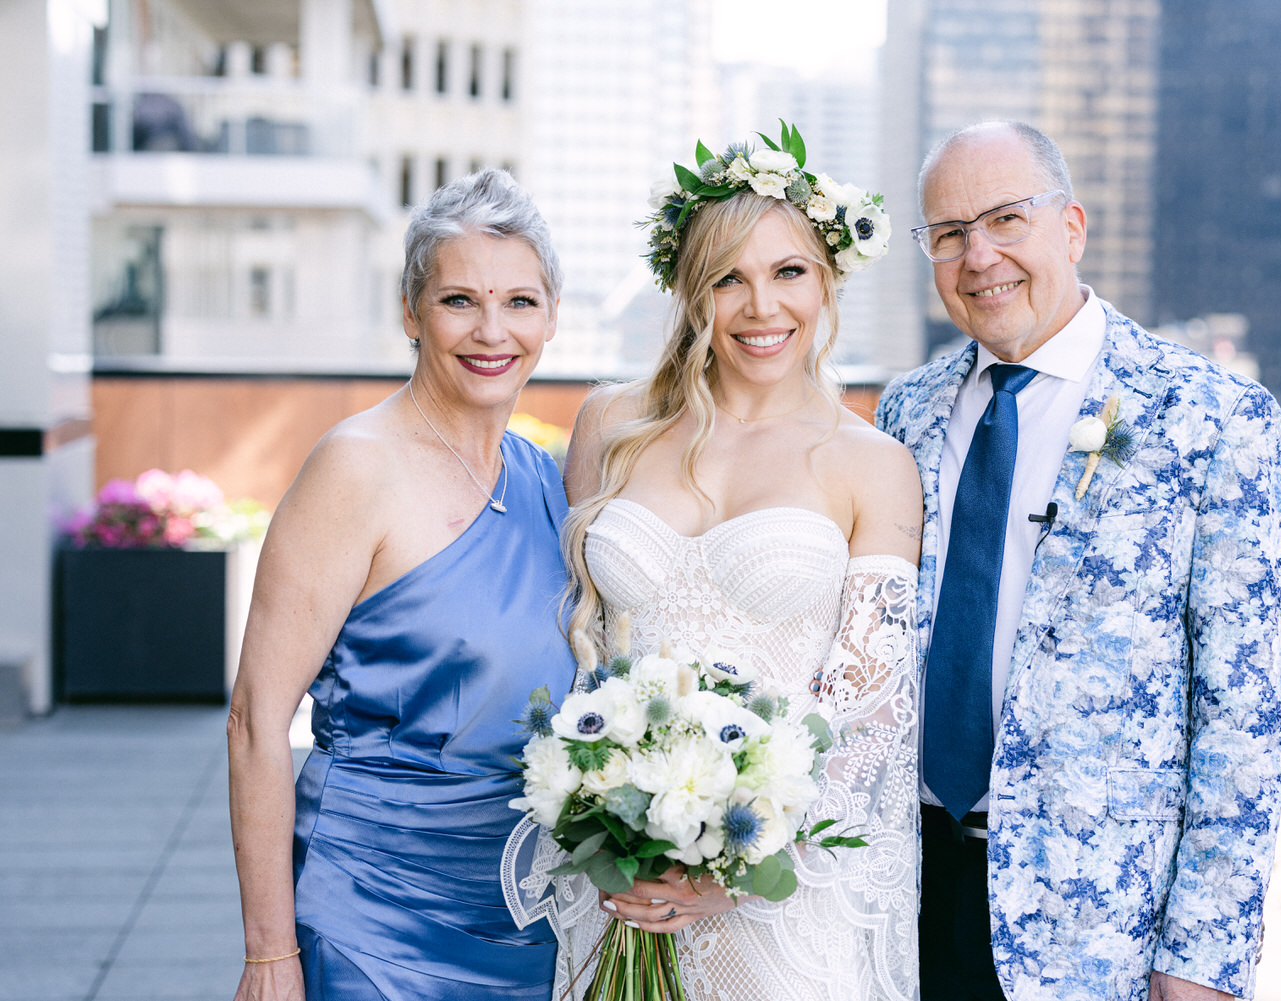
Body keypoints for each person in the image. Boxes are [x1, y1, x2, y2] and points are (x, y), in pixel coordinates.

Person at [876, 121, 1281, 1001]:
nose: (978, 256)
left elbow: (1245, 714)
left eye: (1004, 221)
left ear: (1071, 227)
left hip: (1098, 930)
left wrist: (1204, 956)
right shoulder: (903, 412)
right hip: (898, 900)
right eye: (948, 235)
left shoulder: (1213, 417)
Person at [549, 130, 923, 1000]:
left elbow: (869, 719)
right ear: (691, 292)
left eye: (789, 272)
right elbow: (578, 653)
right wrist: (607, 817)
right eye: (729, 278)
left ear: (828, 279)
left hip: (780, 899)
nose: (762, 307)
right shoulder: (611, 425)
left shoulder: (872, 463)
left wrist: (740, 868)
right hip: (621, 882)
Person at [226, 168, 576, 1001]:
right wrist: (271, 952)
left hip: (525, 919)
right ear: (410, 311)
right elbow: (254, 723)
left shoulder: (544, 479)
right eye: (459, 300)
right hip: (373, 916)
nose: (492, 330)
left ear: (553, 316)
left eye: (520, 302)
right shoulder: (356, 469)